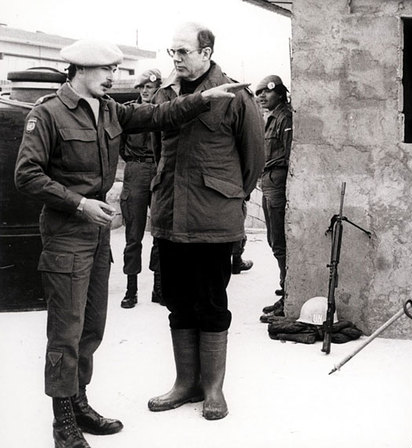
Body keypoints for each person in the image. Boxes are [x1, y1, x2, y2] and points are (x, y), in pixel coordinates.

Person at [13, 39, 248, 448]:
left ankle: (80, 402)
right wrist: (80, 202)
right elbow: (27, 174)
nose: (112, 78)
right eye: (106, 71)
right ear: (80, 70)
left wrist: (202, 98)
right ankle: (62, 422)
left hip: (97, 234)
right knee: (65, 331)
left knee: (91, 329)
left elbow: (159, 114)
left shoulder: (109, 110)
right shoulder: (47, 113)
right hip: (68, 232)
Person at [146, 22, 264, 421]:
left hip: (214, 220)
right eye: (172, 53)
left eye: (183, 52)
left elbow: (253, 162)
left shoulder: (235, 96)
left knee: (211, 303)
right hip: (169, 216)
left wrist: (224, 196)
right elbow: (157, 149)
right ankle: (186, 384)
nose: (176, 59)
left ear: (206, 53)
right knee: (178, 303)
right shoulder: (164, 94)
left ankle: (213, 388)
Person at [120, 68, 163, 308]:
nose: (146, 91)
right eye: (142, 87)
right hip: (135, 170)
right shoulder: (129, 111)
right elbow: (121, 145)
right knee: (133, 234)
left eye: (150, 87)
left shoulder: (164, 110)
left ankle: (159, 287)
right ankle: (131, 289)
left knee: (160, 231)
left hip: (158, 170)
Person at [255, 75, 293, 319]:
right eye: (258, 93)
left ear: (278, 93)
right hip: (269, 182)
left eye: (265, 92)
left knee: (280, 241)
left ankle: (288, 297)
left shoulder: (285, 117)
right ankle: (285, 290)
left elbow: (289, 155)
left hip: (278, 183)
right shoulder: (271, 118)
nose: (261, 97)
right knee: (273, 240)